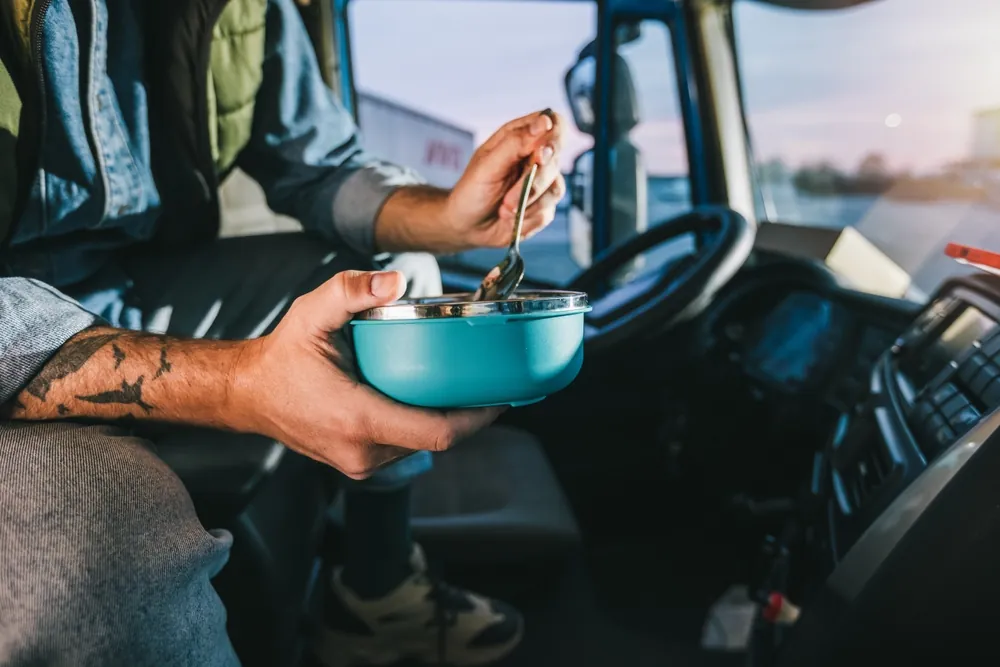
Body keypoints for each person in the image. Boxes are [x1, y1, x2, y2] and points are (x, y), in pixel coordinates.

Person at [0, 0, 565, 665]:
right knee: (105, 573)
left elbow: (320, 164)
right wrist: (239, 383)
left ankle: (375, 595)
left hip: (125, 282)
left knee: (398, 285)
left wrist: (449, 216)